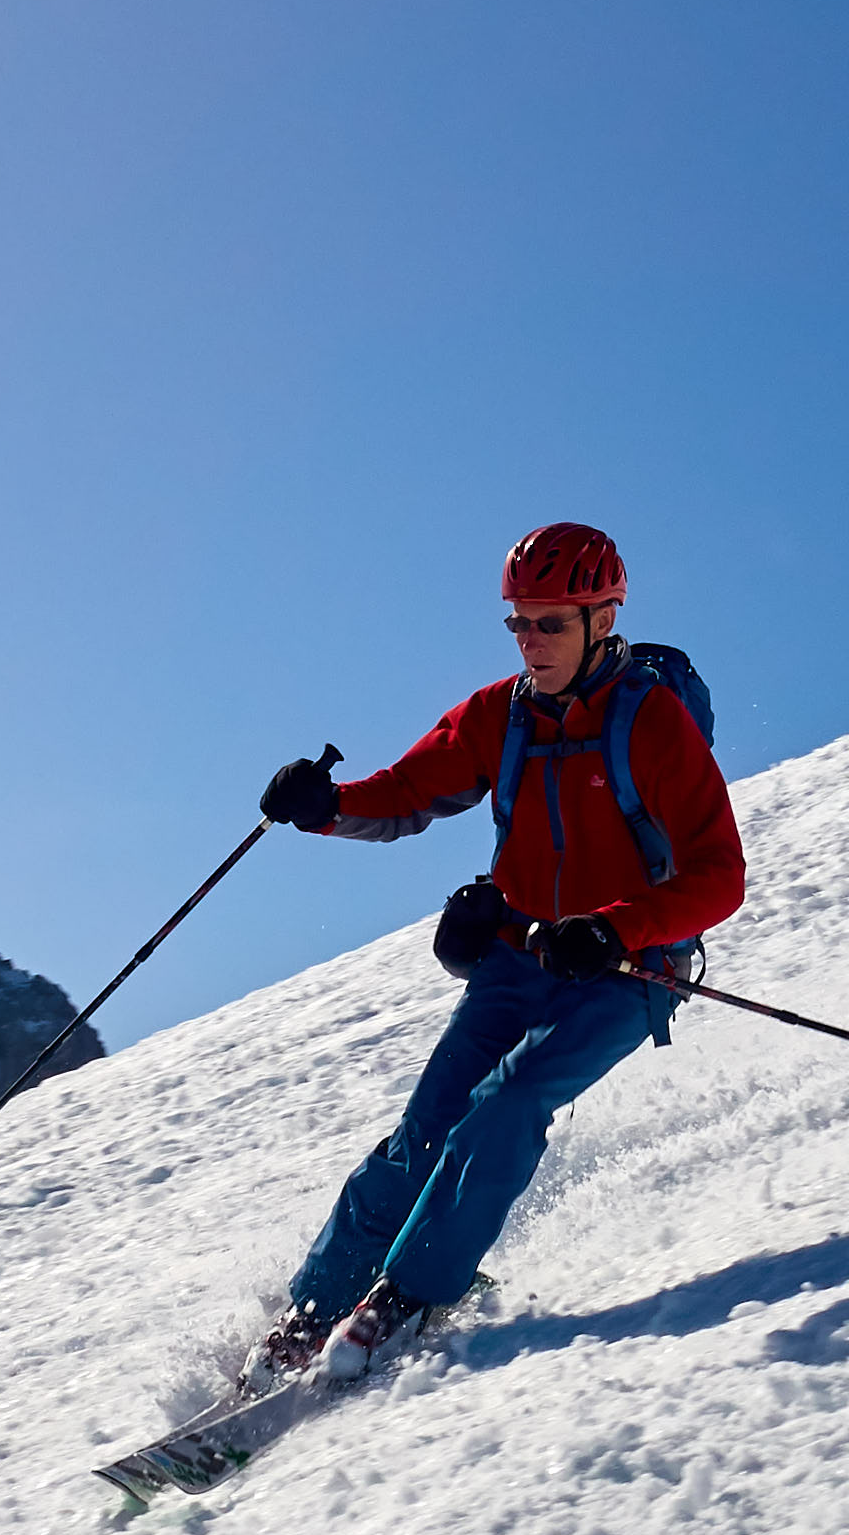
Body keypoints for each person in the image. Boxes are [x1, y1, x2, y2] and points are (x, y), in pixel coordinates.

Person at [250, 521, 747, 1372]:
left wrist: (619, 928)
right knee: (425, 1128)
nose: (530, 641)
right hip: (519, 960)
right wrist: (326, 805)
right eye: (518, 622)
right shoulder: (500, 715)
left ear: (603, 617)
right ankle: (311, 1313)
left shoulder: (653, 725)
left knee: (508, 1105)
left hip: (630, 971)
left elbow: (719, 875)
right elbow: (410, 792)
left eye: (549, 622)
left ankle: (406, 1299)